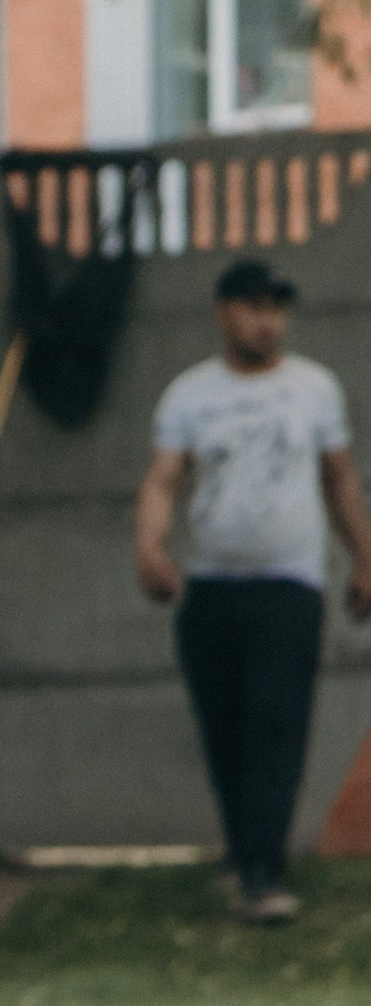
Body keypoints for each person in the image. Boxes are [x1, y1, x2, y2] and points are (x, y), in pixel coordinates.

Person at [135, 254, 371, 922]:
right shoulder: (190, 394)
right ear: (223, 312)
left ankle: (263, 871)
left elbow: (340, 480)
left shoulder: (314, 389)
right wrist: (150, 547)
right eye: (252, 306)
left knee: (277, 721)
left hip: (290, 584)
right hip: (212, 588)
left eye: (276, 308)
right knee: (227, 727)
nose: (266, 321)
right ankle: (247, 858)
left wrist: (364, 557)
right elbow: (164, 478)